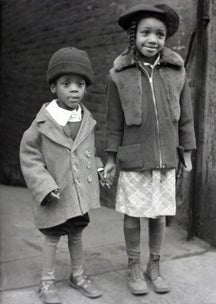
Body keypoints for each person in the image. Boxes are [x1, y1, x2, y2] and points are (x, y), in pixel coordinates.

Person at [104, 4, 196, 296]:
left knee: (158, 216)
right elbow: (114, 121)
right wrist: (110, 157)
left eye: (160, 34)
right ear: (134, 35)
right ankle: (133, 265)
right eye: (146, 32)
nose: (153, 39)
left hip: (166, 157)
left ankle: (153, 266)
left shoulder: (176, 72)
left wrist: (188, 152)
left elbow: (186, 116)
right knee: (133, 215)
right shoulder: (119, 75)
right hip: (134, 157)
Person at [20, 47, 105, 304]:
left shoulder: (86, 119)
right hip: (56, 193)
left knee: (77, 234)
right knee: (52, 237)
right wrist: (45, 186)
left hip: (78, 194)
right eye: (66, 83)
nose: (74, 89)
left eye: (80, 84)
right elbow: (29, 156)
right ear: (53, 87)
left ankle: (77, 276)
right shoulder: (42, 123)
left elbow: (88, 153)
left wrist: (99, 168)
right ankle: (47, 282)